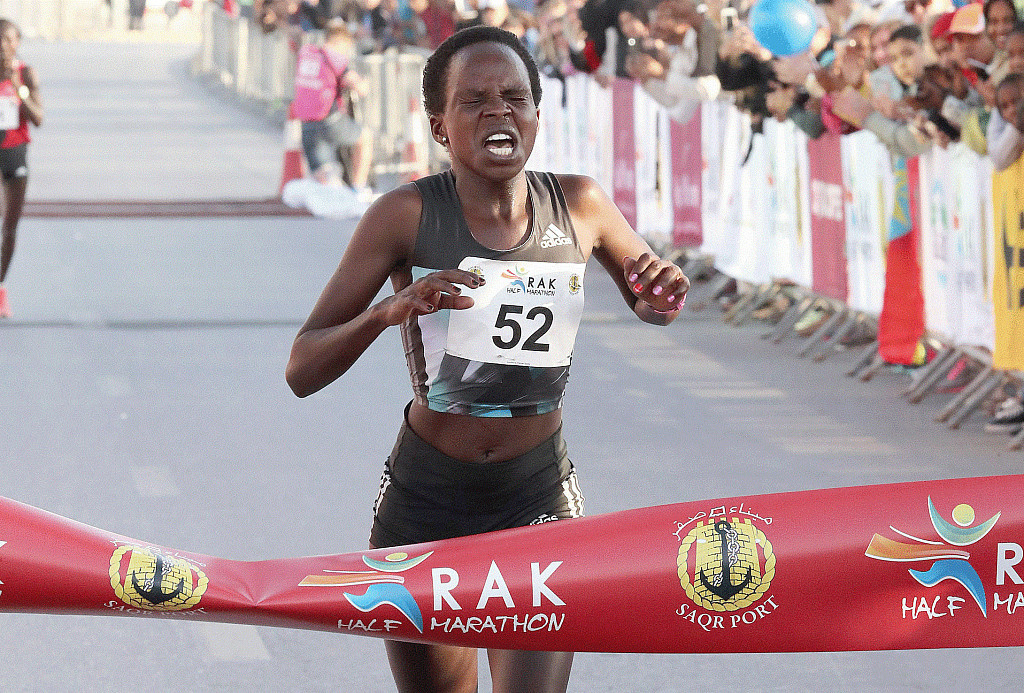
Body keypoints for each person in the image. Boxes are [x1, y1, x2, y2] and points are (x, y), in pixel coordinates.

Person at [285, 25, 688, 693]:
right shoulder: (404, 215)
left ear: (536, 115)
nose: (498, 112)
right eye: (474, 101)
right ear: (440, 127)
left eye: (514, 97)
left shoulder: (581, 205)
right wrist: (389, 311)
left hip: (536, 494)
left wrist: (662, 294)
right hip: (428, 500)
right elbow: (302, 368)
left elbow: (651, 300)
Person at [292, 18, 373, 194]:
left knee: (325, 177)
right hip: (330, 121)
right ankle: (358, 189)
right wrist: (365, 83)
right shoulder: (334, 57)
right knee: (365, 138)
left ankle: (330, 194)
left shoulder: (307, 53)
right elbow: (360, 88)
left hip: (306, 124)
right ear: (340, 41)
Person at [0, 19, 42, 319]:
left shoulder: (26, 73)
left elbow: (38, 118)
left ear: (17, 43)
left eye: (9, 40)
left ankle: (0, 286)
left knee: (10, 228)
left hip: (15, 155)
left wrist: (19, 89)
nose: (3, 45)